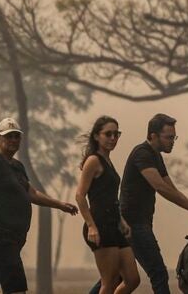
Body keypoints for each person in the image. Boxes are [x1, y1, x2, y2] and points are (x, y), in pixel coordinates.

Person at [0, 117, 79, 294]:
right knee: (17, 290)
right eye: (8, 136)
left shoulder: (17, 167)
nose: (13, 140)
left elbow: (31, 193)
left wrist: (60, 205)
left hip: (14, 238)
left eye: (16, 137)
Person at [90, 113, 188, 294]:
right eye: (168, 137)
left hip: (138, 223)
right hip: (132, 224)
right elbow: (160, 187)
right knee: (158, 272)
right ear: (153, 136)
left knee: (114, 277)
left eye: (174, 137)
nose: (172, 141)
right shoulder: (142, 154)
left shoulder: (156, 156)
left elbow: (171, 187)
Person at [77, 116, 140, 293]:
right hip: (100, 224)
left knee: (132, 279)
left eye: (116, 134)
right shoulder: (93, 160)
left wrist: (121, 220)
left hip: (114, 225)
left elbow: (110, 197)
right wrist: (91, 226)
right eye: (108, 134)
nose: (113, 138)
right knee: (109, 281)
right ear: (97, 136)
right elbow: (80, 196)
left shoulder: (108, 161)